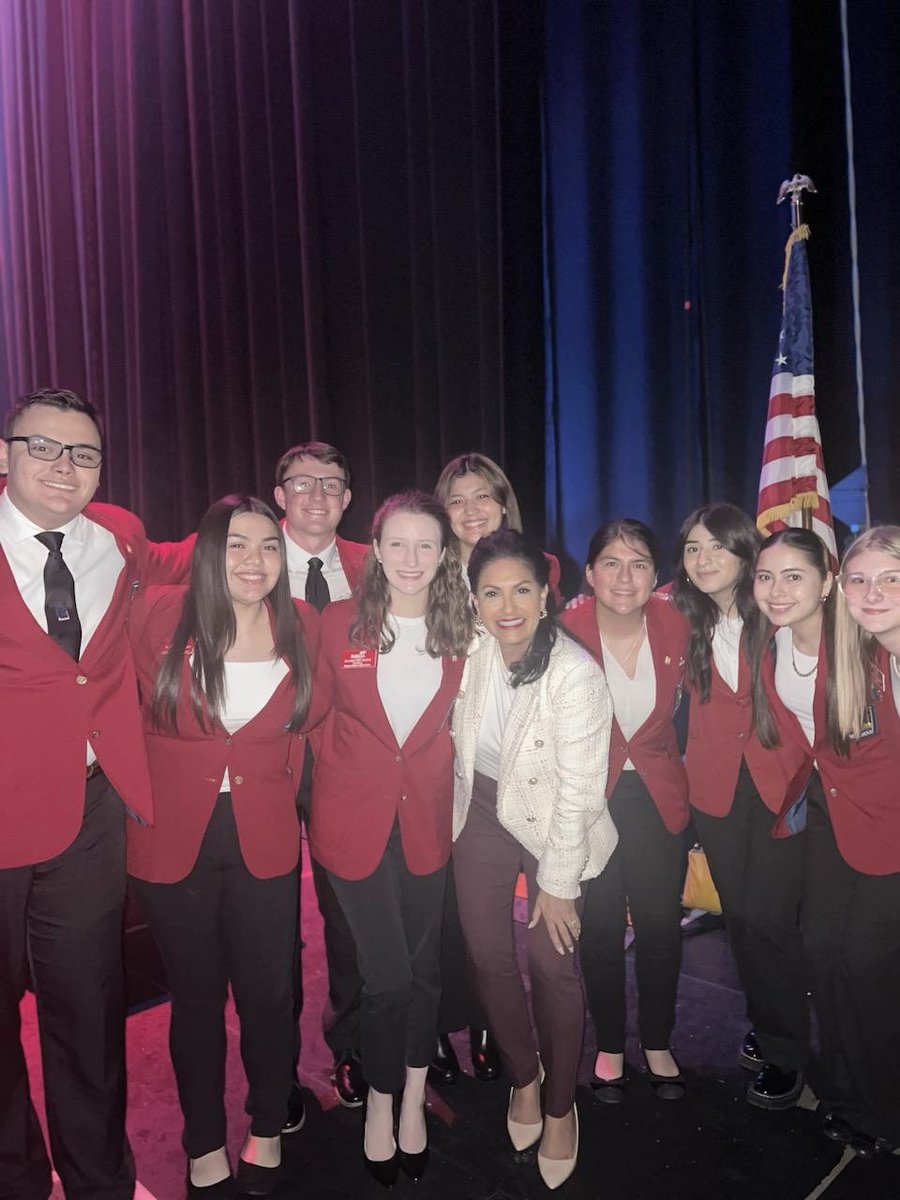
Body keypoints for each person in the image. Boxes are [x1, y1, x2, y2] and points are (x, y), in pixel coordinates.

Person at [0, 388, 189, 1200]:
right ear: (4, 453)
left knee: (88, 1013)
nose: (63, 466)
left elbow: (189, 560)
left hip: (88, 813)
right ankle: (14, 1174)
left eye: (82, 453)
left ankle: (101, 1180)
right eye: (44, 446)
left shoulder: (118, 534)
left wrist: (284, 539)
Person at [127, 495, 317, 1198]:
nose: (255, 561)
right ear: (208, 550)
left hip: (265, 837)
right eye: (237, 544)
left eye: (270, 546)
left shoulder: (299, 628)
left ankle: (267, 1123)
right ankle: (202, 1138)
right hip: (174, 839)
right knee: (197, 999)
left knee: (270, 994)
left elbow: (310, 727)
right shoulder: (156, 616)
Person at [308, 491, 474, 1188]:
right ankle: (380, 1101)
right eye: (397, 544)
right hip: (353, 825)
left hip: (428, 824)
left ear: (444, 555)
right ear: (374, 549)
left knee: (426, 971)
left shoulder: (463, 631)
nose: (411, 559)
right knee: (388, 977)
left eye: (425, 545)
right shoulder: (340, 622)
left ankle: (411, 1097)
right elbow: (316, 717)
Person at [451, 528, 616, 1190]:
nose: (507, 605)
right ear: (474, 600)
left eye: (522, 589)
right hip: (483, 813)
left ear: (546, 596)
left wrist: (558, 882)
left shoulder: (575, 674)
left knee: (553, 964)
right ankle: (525, 1075)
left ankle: (560, 1107)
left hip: (553, 824)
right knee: (487, 955)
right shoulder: (473, 647)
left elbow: (579, 794)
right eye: (491, 592)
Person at [431, 450, 562, 1084]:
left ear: (505, 501)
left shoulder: (539, 571)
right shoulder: (426, 578)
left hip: (529, 770)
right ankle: (450, 1021)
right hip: (447, 766)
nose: (471, 510)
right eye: (457, 500)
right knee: (461, 918)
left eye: (483, 495)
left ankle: (494, 1032)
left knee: (540, 942)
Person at [673, 503, 809, 1110]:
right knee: (743, 918)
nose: (704, 560)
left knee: (770, 920)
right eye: (693, 548)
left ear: (744, 554)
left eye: (717, 548)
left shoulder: (779, 615)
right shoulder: (679, 619)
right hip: (716, 791)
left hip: (781, 786)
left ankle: (787, 1049)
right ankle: (770, 1020)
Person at [562, 520, 689, 1102]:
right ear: (589, 574)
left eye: (639, 564)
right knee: (603, 928)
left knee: (662, 925)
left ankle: (657, 1041)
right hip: (591, 797)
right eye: (611, 562)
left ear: (656, 577)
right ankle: (611, 1043)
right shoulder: (563, 631)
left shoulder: (677, 626)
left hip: (658, 797)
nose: (624, 576)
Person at [273, 441, 368, 1116]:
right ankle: (275, 1073)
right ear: (279, 495)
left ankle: (354, 1048)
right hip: (265, 767)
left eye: (330, 484)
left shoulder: (376, 566)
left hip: (346, 764)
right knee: (269, 929)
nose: (316, 495)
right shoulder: (244, 555)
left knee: (351, 917)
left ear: (347, 498)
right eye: (301, 483)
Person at [799, 526, 900, 1158]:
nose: (872, 591)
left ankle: (884, 1106)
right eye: (860, 579)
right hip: (845, 827)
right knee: (823, 954)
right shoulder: (862, 657)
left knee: (865, 967)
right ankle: (843, 1085)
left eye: (891, 577)